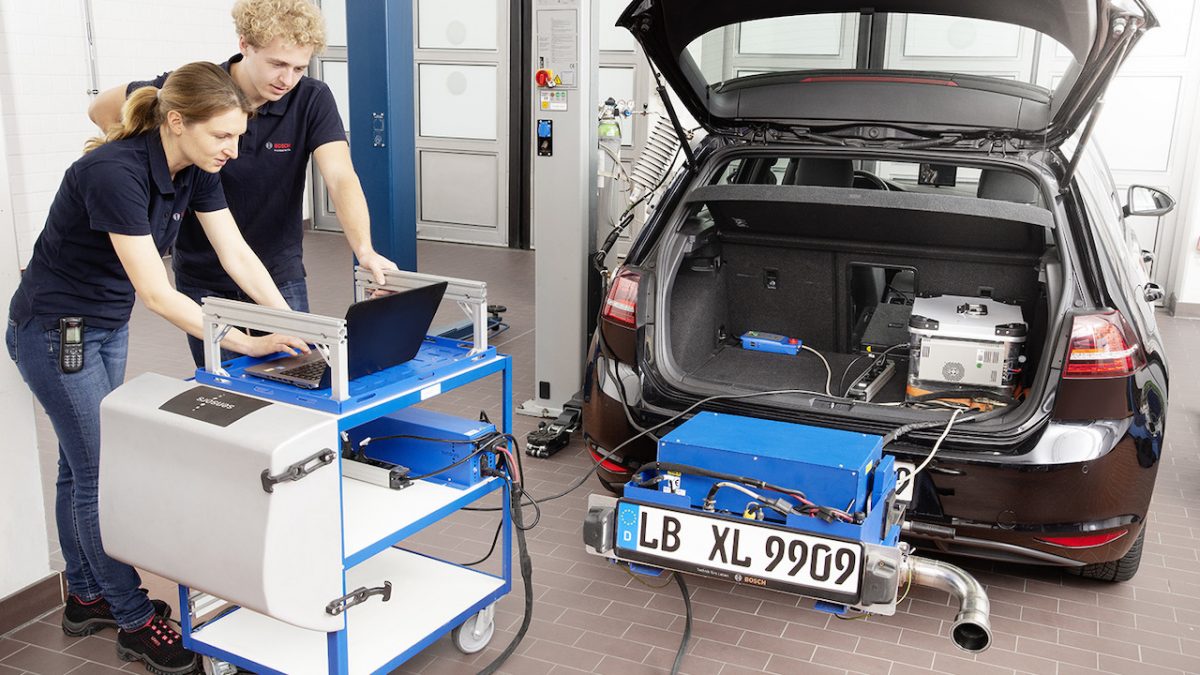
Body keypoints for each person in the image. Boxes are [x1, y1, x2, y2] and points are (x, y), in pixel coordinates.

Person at [7, 62, 309, 675]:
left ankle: (85, 597)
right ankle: (135, 620)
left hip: (106, 322)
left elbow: (237, 254)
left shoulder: (196, 170)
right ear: (177, 121)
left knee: (78, 463)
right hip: (57, 330)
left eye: (239, 135)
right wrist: (245, 342)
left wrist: (303, 327)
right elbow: (157, 291)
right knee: (100, 473)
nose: (235, 148)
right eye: (223, 135)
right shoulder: (112, 172)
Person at [89, 0, 397, 366]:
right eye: (278, 64)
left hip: (276, 272)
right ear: (245, 45)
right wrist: (139, 164)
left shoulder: (311, 98)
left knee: (301, 378)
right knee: (226, 398)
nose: (288, 79)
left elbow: (340, 175)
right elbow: (100, 110)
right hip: (204, 275)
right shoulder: (199, 91)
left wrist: (363, 249)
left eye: (299, 67)